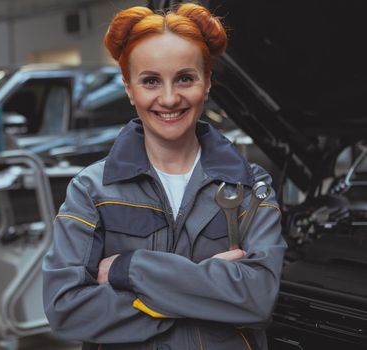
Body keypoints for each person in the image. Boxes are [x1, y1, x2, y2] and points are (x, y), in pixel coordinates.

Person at [43, 3, 287, 349]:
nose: (170, 98)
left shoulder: (250, 187)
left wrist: (129, 269)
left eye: (185, 78)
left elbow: (258, 299)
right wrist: (208, 294)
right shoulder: (91, 190)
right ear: (129, 87)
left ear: (207, 82)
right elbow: (66, 309)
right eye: (151, 81)